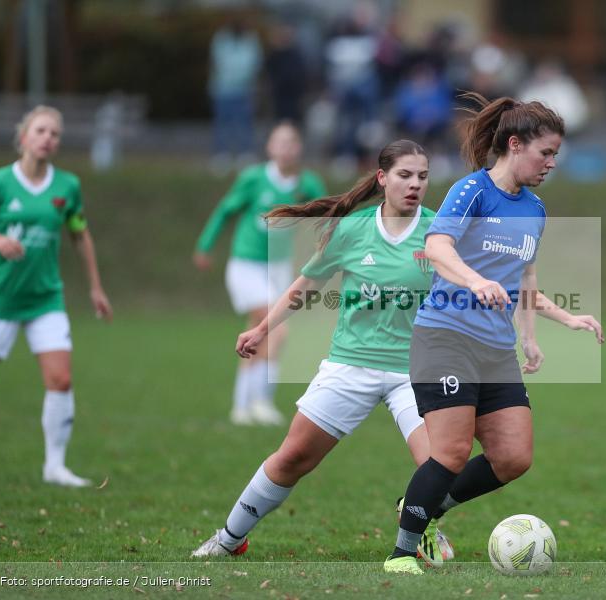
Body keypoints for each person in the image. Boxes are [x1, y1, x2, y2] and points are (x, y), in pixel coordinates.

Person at [192, 140, 453, 565]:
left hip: (414, 371)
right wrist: (261, 328)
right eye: (405, 175)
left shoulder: (441, 232)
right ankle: (229, 537)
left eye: (422, 176)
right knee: (293, 456)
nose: (415, 184)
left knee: (438, 465)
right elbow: (302, 288)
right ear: (382, 178)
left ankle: (422, 528)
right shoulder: (353, 230)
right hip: (351, 364)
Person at [383, 94, 605, 574]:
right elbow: (437, 246)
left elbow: (524, 278)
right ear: (514, 144)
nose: (551, 163)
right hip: (445, 338)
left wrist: (548, 328)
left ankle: (425, 508)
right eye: (545, 153)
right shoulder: (472, 191)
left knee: (513, 456)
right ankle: (402, 553)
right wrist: (475, 280)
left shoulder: (536, 209)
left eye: (555, 155)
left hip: (495, 348)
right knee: (451, 452)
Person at [0, 106, 113, 487]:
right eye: (40, 131)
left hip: (46, 300)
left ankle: (54, 466)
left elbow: (79, 233)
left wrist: (95, 287)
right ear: (23, 137)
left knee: (60, 379)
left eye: (54, 134)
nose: (48, 138)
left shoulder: (66, 187)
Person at [194, 122, 326, 426]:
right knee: (276, 329)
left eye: (291, 142)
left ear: (299, 148)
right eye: (279, 142)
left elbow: (329, 216)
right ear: (270, 147)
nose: (285, 148)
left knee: (256, 331)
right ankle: (262, 402)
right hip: (246, 265)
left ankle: (242, 406)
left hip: (280, 268)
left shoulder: (307, 183)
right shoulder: (253, 179)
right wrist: (205, 245)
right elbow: (226, 210)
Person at [208, 15, 263, 172]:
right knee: (223, 123)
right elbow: (218, 61)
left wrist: (244, 76)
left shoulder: (251, 40)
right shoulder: (221, 39)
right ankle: (221, 155)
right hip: (223, 88)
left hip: (245, 89)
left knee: (244, 123)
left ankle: (245, 154)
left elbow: (254, 62)